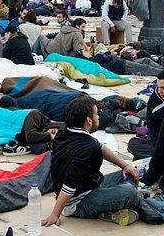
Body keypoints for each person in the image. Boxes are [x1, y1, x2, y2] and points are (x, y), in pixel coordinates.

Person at [42, 96, 143, 227]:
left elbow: (100, 147)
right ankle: (104, 210)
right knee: (131, 194)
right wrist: (55, 214)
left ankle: (111, 206)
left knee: (129, 174)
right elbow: (69, 184)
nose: (99, 117)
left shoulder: (65, 131)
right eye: (96, 114)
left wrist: (125, 165)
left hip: (90, 187)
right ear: (89, 120)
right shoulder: (87, 147)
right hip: (77, 202)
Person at [127, 67, 164, 160]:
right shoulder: (155, 100)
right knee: (133, 143)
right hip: (159, 141)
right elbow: (152, 128)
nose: (160, 91)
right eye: (158, 87)